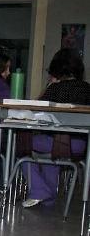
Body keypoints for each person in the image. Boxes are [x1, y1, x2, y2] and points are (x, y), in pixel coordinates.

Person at [22, 48, 90, 208]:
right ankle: (48, 198)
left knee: (22, 145)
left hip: (52, 141)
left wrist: (49, 86)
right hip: (79, 145)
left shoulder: (54, 89)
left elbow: (35, 108)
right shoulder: (88, 89)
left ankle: (40, 191)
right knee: (52, 154)